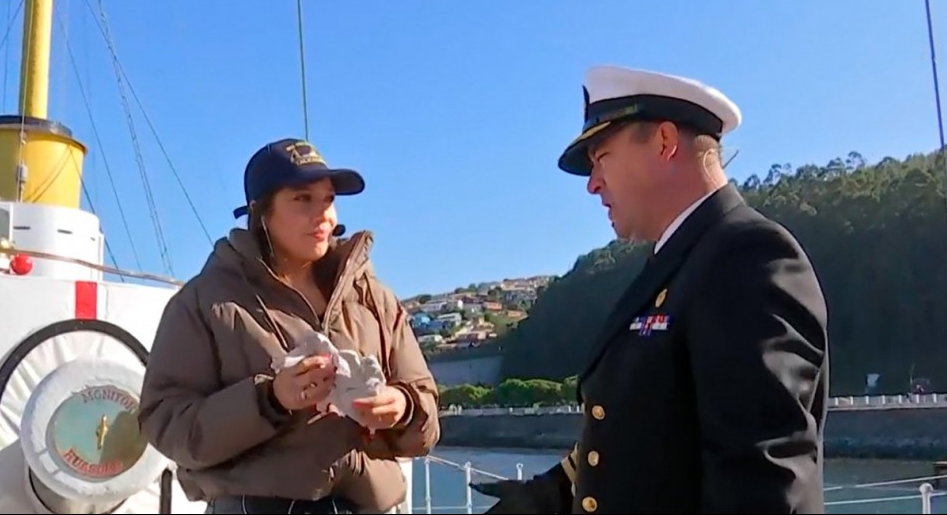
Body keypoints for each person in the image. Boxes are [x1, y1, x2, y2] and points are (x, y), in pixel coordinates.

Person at [473, 66, 829, 513]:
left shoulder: (747, 257)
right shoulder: (681, 264)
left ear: (664, 142)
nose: (592, 183)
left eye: (601, 156)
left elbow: (761, 481)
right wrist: (541, 499)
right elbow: (637, 441)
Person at [139, 138, 440, 514]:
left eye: (328, 199)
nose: (323, 216)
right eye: (302, 199)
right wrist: (269, 399)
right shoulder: (203, 303)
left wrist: (403, 407)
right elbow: (166, 423)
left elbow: (425, 405)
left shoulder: (375, 299)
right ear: (261, 212)